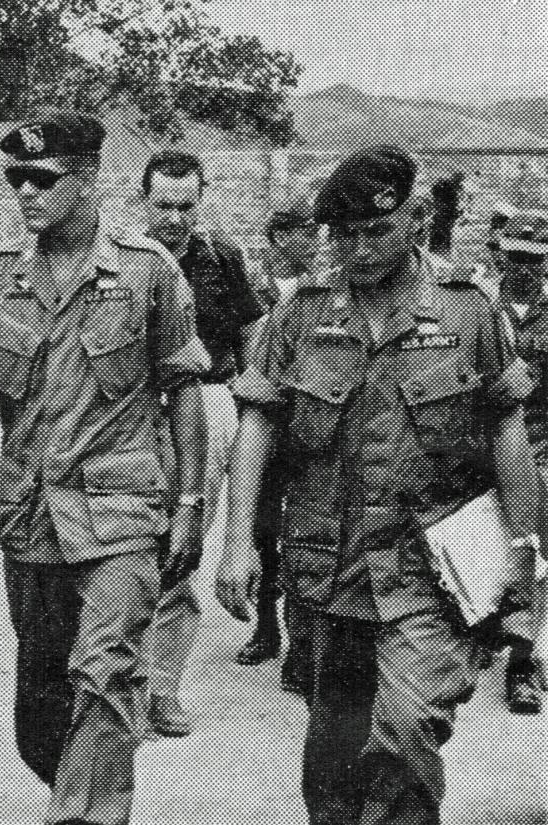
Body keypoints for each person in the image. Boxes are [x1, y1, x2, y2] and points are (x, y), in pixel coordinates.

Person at [216, 145, 542, 825]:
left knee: (403, 731)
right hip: (327, 570)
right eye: (344, 235)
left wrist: (525, 543)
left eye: (376, 231)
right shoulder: (302, 315)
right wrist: (237, 544)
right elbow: (256, 425)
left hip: (431, 573)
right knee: (332, 765)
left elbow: (507, 426)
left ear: (417, 219)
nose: (359, 250)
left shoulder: (466, 312)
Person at [0, 110, 209, 825]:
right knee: (42, 711)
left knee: (107, 668)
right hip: (30, 516)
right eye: (16, 178)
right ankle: (80, 789)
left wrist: (190, 503)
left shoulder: (147, 271)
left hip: (121, 516)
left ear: (86, 182)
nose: (25, 191)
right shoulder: (0, 277)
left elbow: (183, 391)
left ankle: (86, 816)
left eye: (42, 178)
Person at [139, 150, 265, 735]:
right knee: (128, 542)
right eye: (163, 205)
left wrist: (250, 405)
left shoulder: (224, 258)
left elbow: (252, 333)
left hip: (207, 405)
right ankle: (116, 678)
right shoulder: (125, 263)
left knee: (181, 549)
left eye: (186, 205)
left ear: (203, 198)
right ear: (143, 201)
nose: (174, 218)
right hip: (134, 415)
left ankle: (164, 688)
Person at [232, 198, 319, 697]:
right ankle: (266, 627)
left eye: (314, 234)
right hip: (267, 425)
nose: (311, 243)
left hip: (307, 430)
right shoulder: (258, 291)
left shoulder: (327, 295)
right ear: (279, 240)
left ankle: (303, 642)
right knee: (264, 532)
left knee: (307, 535)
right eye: (301, 234)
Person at [488, 208, 548, 714]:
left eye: (538, 258)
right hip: (480, 444)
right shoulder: (479, 304)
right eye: (519, 254)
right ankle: (482, 634)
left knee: (531, 552)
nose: (526, 265)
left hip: (539, 443)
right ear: (503, 252)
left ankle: (523, 659)